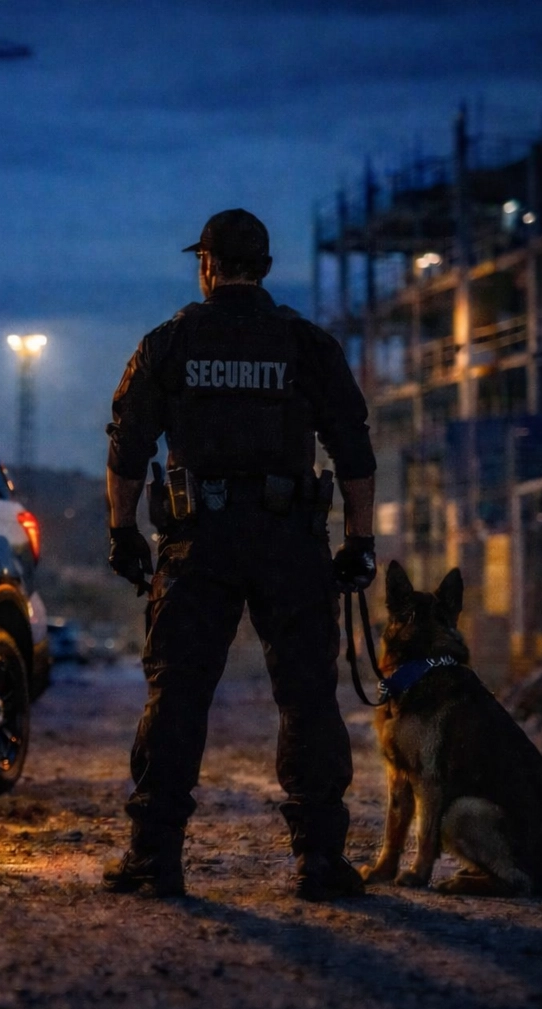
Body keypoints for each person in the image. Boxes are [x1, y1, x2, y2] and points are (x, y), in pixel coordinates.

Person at [102, 208, 378, 901]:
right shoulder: (308, 345)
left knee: (178, 694)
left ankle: (154, 859)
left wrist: (122, 531)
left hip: (201, 543)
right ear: (266, 268)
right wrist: (359, 543)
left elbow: (128, 445)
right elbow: (354, 450)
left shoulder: (169, 343)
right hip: (291, 541)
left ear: (206, 266)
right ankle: (320, 862)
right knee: (308, 695)